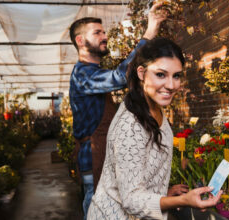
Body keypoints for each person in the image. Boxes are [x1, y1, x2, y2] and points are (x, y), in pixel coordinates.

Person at [87, 38, 222, 220]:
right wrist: (183, 200)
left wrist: (163, 192)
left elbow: (135, 177)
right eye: (161, 74)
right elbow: (132, 200)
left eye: (176, 76)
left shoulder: (152, 107)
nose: (171, 85)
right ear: (141, 73)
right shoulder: (130, 126)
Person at [68, 3, 167, 219]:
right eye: (97, 33)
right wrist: (149, 32)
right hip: (93, 156)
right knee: (97, 208)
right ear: (80, 41)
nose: (104, 37)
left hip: (103, 154)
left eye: (103, 32)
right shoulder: (82, 74)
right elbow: (120, 77)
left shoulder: (93, 72)